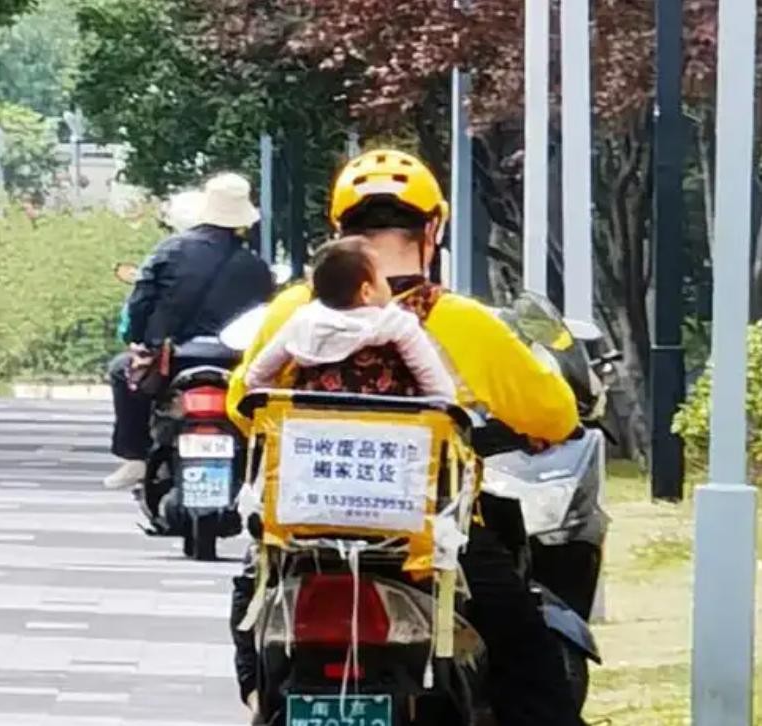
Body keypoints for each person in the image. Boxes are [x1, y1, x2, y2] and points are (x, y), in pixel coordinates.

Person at [226, 149, 586, 726]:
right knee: (527, 655)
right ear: (433, 229)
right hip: (433, 543)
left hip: (302, 534)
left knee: (251, 599)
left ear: (337, 231)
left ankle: (257, 699)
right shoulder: (463, 321)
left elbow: (242, 404)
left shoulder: (292, 312)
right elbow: (555, 415)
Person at [104, 173, 274, 490]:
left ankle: (135, 457)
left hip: (173, 359)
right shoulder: (256, 266)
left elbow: (141, 300)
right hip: (236, 363)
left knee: (120, 371)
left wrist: (139, 340)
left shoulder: (170, 250)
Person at [245, 236, 456, 400]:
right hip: (390, 433)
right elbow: (439, 390)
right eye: (382, 276)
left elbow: (256, 377)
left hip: (312, 433)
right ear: (366, 292)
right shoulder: (397, 323)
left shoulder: (303, 321)